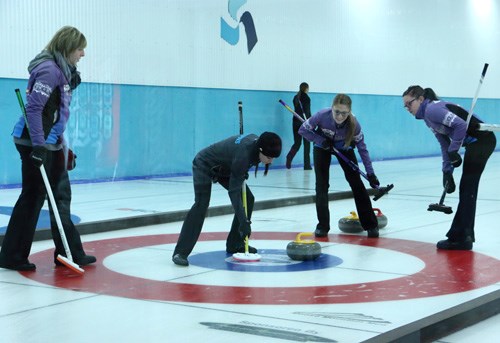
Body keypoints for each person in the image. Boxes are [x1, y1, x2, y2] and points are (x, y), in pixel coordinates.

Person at [0, 26, 96, 271]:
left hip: (50, 142)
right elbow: (34, 110)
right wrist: (40, 146)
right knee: (33, 197)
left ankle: (69, 252)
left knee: (60, 195)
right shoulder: (49, 70)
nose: (83, 53)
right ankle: (11, 255)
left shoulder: (62, 71)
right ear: (67, 47)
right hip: (33, 141)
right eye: (79, 48)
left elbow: (55, 113)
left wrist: (61, 144)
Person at [402, 86, 496, 250]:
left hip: (483, 140)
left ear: (421, 99)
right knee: (467, 187)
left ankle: (462, 237)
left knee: (468, 187)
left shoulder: (432, 110)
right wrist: (447, 172)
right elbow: (444, 143)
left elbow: (460, 126)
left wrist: (454, 151)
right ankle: (462, 235)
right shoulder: (427, 117)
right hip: (475, 143)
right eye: (405, 106)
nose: (407, 109)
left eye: (409, 104)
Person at [172, 132, 282, 266]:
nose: (271, 161)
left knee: (248, 198)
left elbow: (239, 162)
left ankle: (235, 244)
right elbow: (234, 193)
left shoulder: (255, 145)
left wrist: (242, 171)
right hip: (205, 164)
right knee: (201, 204)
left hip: (226, 167)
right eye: (269, 157)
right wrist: (244, 222)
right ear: (260, 150)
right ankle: (180, 252)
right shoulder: (243, 156)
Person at [298, 94, 380, 238]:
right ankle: (322, 226)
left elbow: (362, 149)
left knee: (357, 184)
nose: (340, 116)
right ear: (332, 108)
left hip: (344, 149)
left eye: (344, 113)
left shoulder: (354, 124)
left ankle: (371, 225)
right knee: (321, 185)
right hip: (322, 147)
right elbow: (303, 130)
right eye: (337, 112)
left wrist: (371, 173)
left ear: (349, 112)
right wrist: (320, 140)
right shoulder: (321, 115)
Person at [286, 82, 312, 170]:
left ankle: (289, 157)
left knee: (297, 143)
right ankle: (307, 165)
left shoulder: (295, 97)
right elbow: (307, 112)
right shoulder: (307, 98)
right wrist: (311, 123)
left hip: (295, 122)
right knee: (307, 144)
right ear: (306, 88)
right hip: (304, 123)